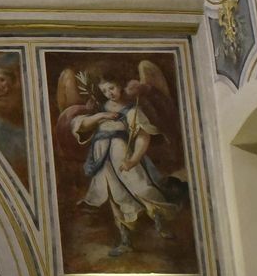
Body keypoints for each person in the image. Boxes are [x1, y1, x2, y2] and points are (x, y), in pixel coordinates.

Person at [71, 75, 180, 256]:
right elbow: (81, 125)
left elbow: (143, 137)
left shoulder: (132, 110)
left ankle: (160, 222)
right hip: (103, 161)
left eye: (112, 87)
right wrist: (101, 115)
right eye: (104, 90)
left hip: (123, 157)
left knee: (142, 188)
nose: (109, 93)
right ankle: (125, 240)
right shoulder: (100, 109)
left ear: (121, 86)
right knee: (116, 197)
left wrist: (133, 160)